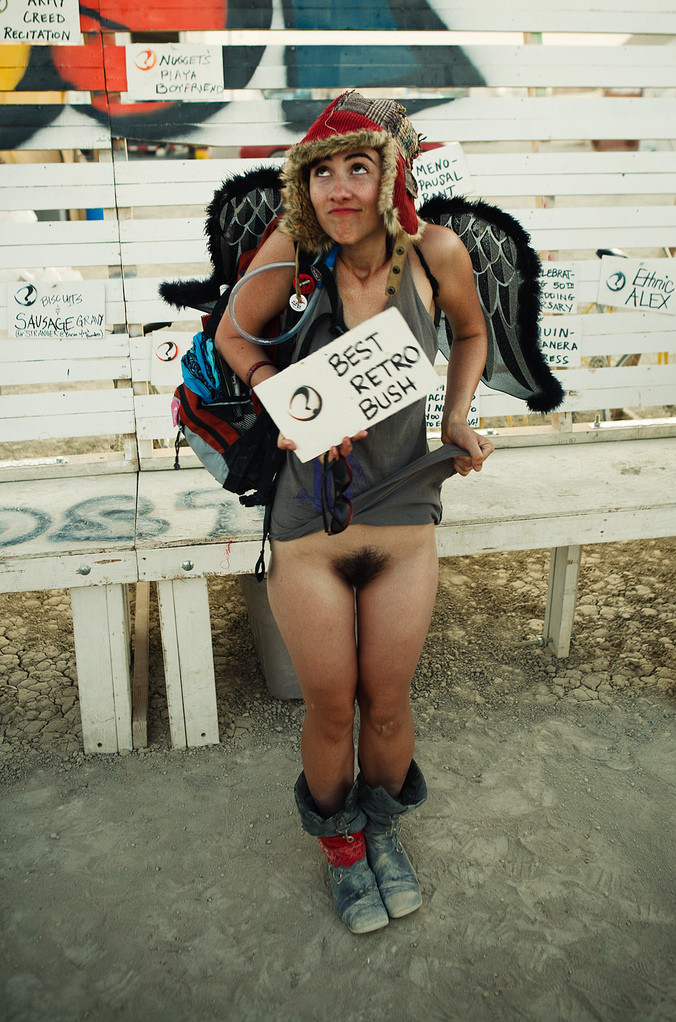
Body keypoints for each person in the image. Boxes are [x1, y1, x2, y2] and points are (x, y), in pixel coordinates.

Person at [215, 91, 494, 934]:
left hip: (404, 524)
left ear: (392, 175)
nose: (338, 188)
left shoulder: (436, 252)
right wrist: (284, 397)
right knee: (331, 709)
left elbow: (471, 334)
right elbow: (232, 336)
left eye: (359, 168)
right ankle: (341, 851)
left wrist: (454, 416)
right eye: (322, 171)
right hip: (310, 531)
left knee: (389, 704)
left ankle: (382, 832)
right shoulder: (292, 251)